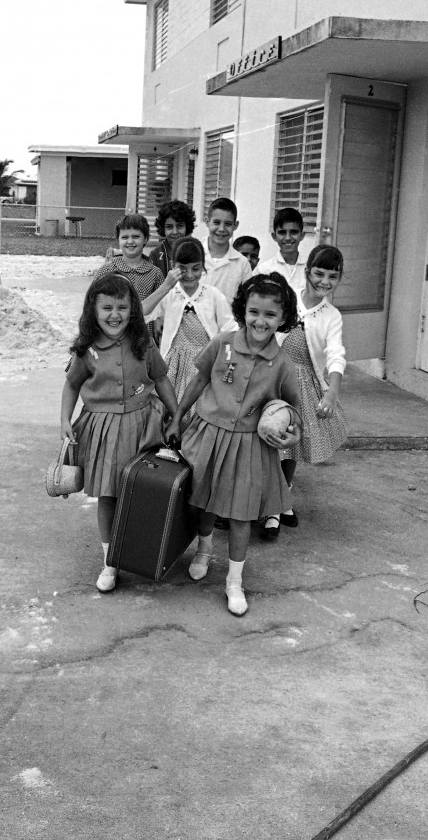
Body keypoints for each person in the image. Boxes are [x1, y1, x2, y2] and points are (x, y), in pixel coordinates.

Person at [166, 273, 301, 616]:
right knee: (204, 502)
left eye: (270, 315)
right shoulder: (223, 343)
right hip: (209, 435)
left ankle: (234, 581)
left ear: (283, 318)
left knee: (242, 515)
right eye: (254, 311)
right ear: (243, 310)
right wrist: (178, 415)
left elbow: (292, 410)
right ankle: (204, 549)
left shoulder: (282, 363)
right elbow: (198, 381)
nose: (261, 320)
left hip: (250, 447)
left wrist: (292, 433)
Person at [60, 274, 178, 594]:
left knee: (143, 489)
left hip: (143, 425)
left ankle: (145, 551)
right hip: (104, 429)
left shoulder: (143, 341)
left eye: (123, 307)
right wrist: (64, 420)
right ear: (92, 310)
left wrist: (177, 415)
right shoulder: (87, 348)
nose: (115, 315)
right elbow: (72, 384)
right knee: (109, 494)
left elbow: (162, 378)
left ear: (134, 310)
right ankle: (110, 561)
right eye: (107, 307)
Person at [277, 244, 348, 532]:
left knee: (290, 444)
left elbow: (335, 353)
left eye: (333, 277)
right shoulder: (286, 298)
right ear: (307, 272)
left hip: (304, 382)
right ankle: (257, 498)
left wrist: (332, 391)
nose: (325, 282)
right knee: (263, 438)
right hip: (273, 376)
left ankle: (282, 499)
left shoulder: (332, 315)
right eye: (319, 273)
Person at [143, 236, 236, 417]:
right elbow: (142, 314)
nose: (190, 275)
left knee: (198, 414)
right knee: (167, 413)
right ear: (172, 265)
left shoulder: (213, 295)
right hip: (172, 366)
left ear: (203, 265)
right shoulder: (170, 294)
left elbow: (230, 330)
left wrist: (227, 363)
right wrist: (165, 286)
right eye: (182, 269)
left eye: (196, 268)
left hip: (203, 366)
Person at [93, 213, 165, 330]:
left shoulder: (155, 273)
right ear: (118, 240)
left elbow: (161, 309)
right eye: (125, 237)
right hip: (112, 335)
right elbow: (93, 302)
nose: (130, 241)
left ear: (145, 239)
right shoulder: (107, 269)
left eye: (136, 237)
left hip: (143, 337)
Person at [199, 197, 252, 305]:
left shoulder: (242, 263)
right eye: (216, 222)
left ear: (235, 225)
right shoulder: (192, 253)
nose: (222, 229)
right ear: (207, 222)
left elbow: (248, 300)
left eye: (228, 224)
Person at [254, 207, 307, 292]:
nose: (288, 238)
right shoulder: (264, 270)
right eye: (282, 232)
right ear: (274, 236)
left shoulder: (310, 269)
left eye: (293, 232)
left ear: (302, 235)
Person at [148, 200, 197, 277]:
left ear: (187, 227)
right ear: (163, 228)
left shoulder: (196, 251)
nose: (175, 232)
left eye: (180, 226)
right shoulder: (155, 255)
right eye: (169, 227)